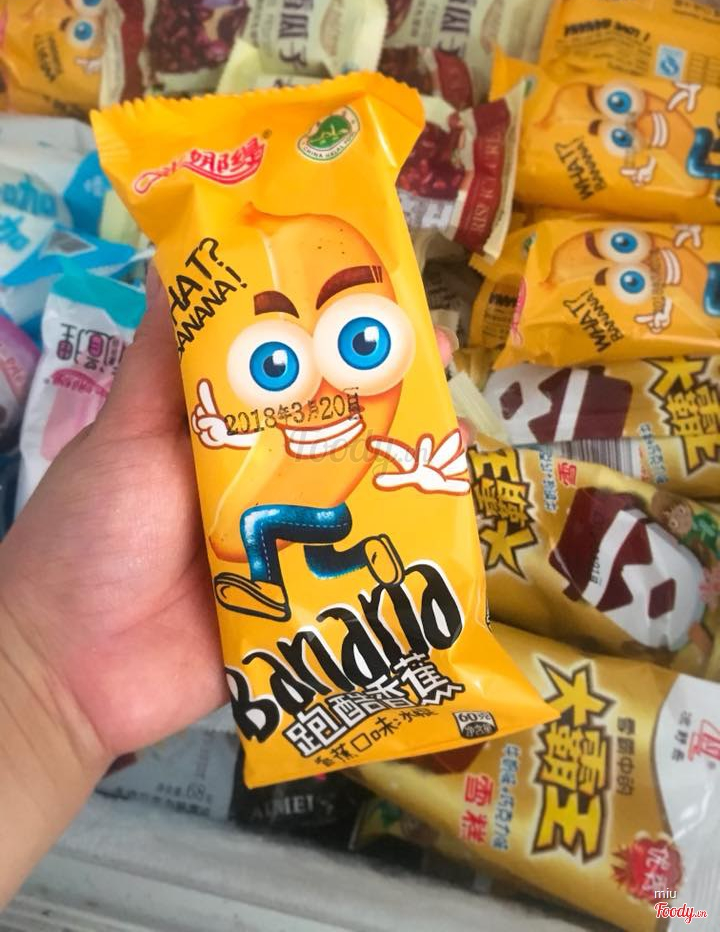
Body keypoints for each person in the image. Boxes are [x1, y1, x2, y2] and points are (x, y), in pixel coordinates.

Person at [0, 268, 462, 905]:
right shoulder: (279, 422)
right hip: (329, 516)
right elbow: (248, 432)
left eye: (361, 344)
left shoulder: (351, 421)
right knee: (297, 546)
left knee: (266, 528)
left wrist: (40, 672)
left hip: (331, 508)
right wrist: (39, 674)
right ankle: (361, 559)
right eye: (275, 363)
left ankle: (328, 569)